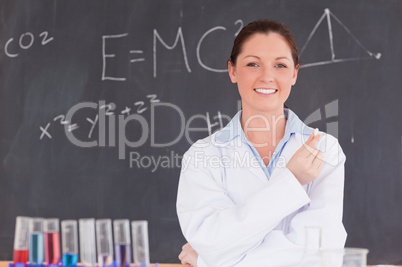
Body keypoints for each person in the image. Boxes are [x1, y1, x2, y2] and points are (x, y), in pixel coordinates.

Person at [176, 18, 347, 267]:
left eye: (280, 65)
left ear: (294, 73)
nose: (267, 77)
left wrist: (209, 261)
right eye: (253, 64)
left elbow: (320, 254)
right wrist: (291, 181)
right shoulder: (202, 154)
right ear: (232, 71)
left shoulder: (323, 150)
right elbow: (211, 242)